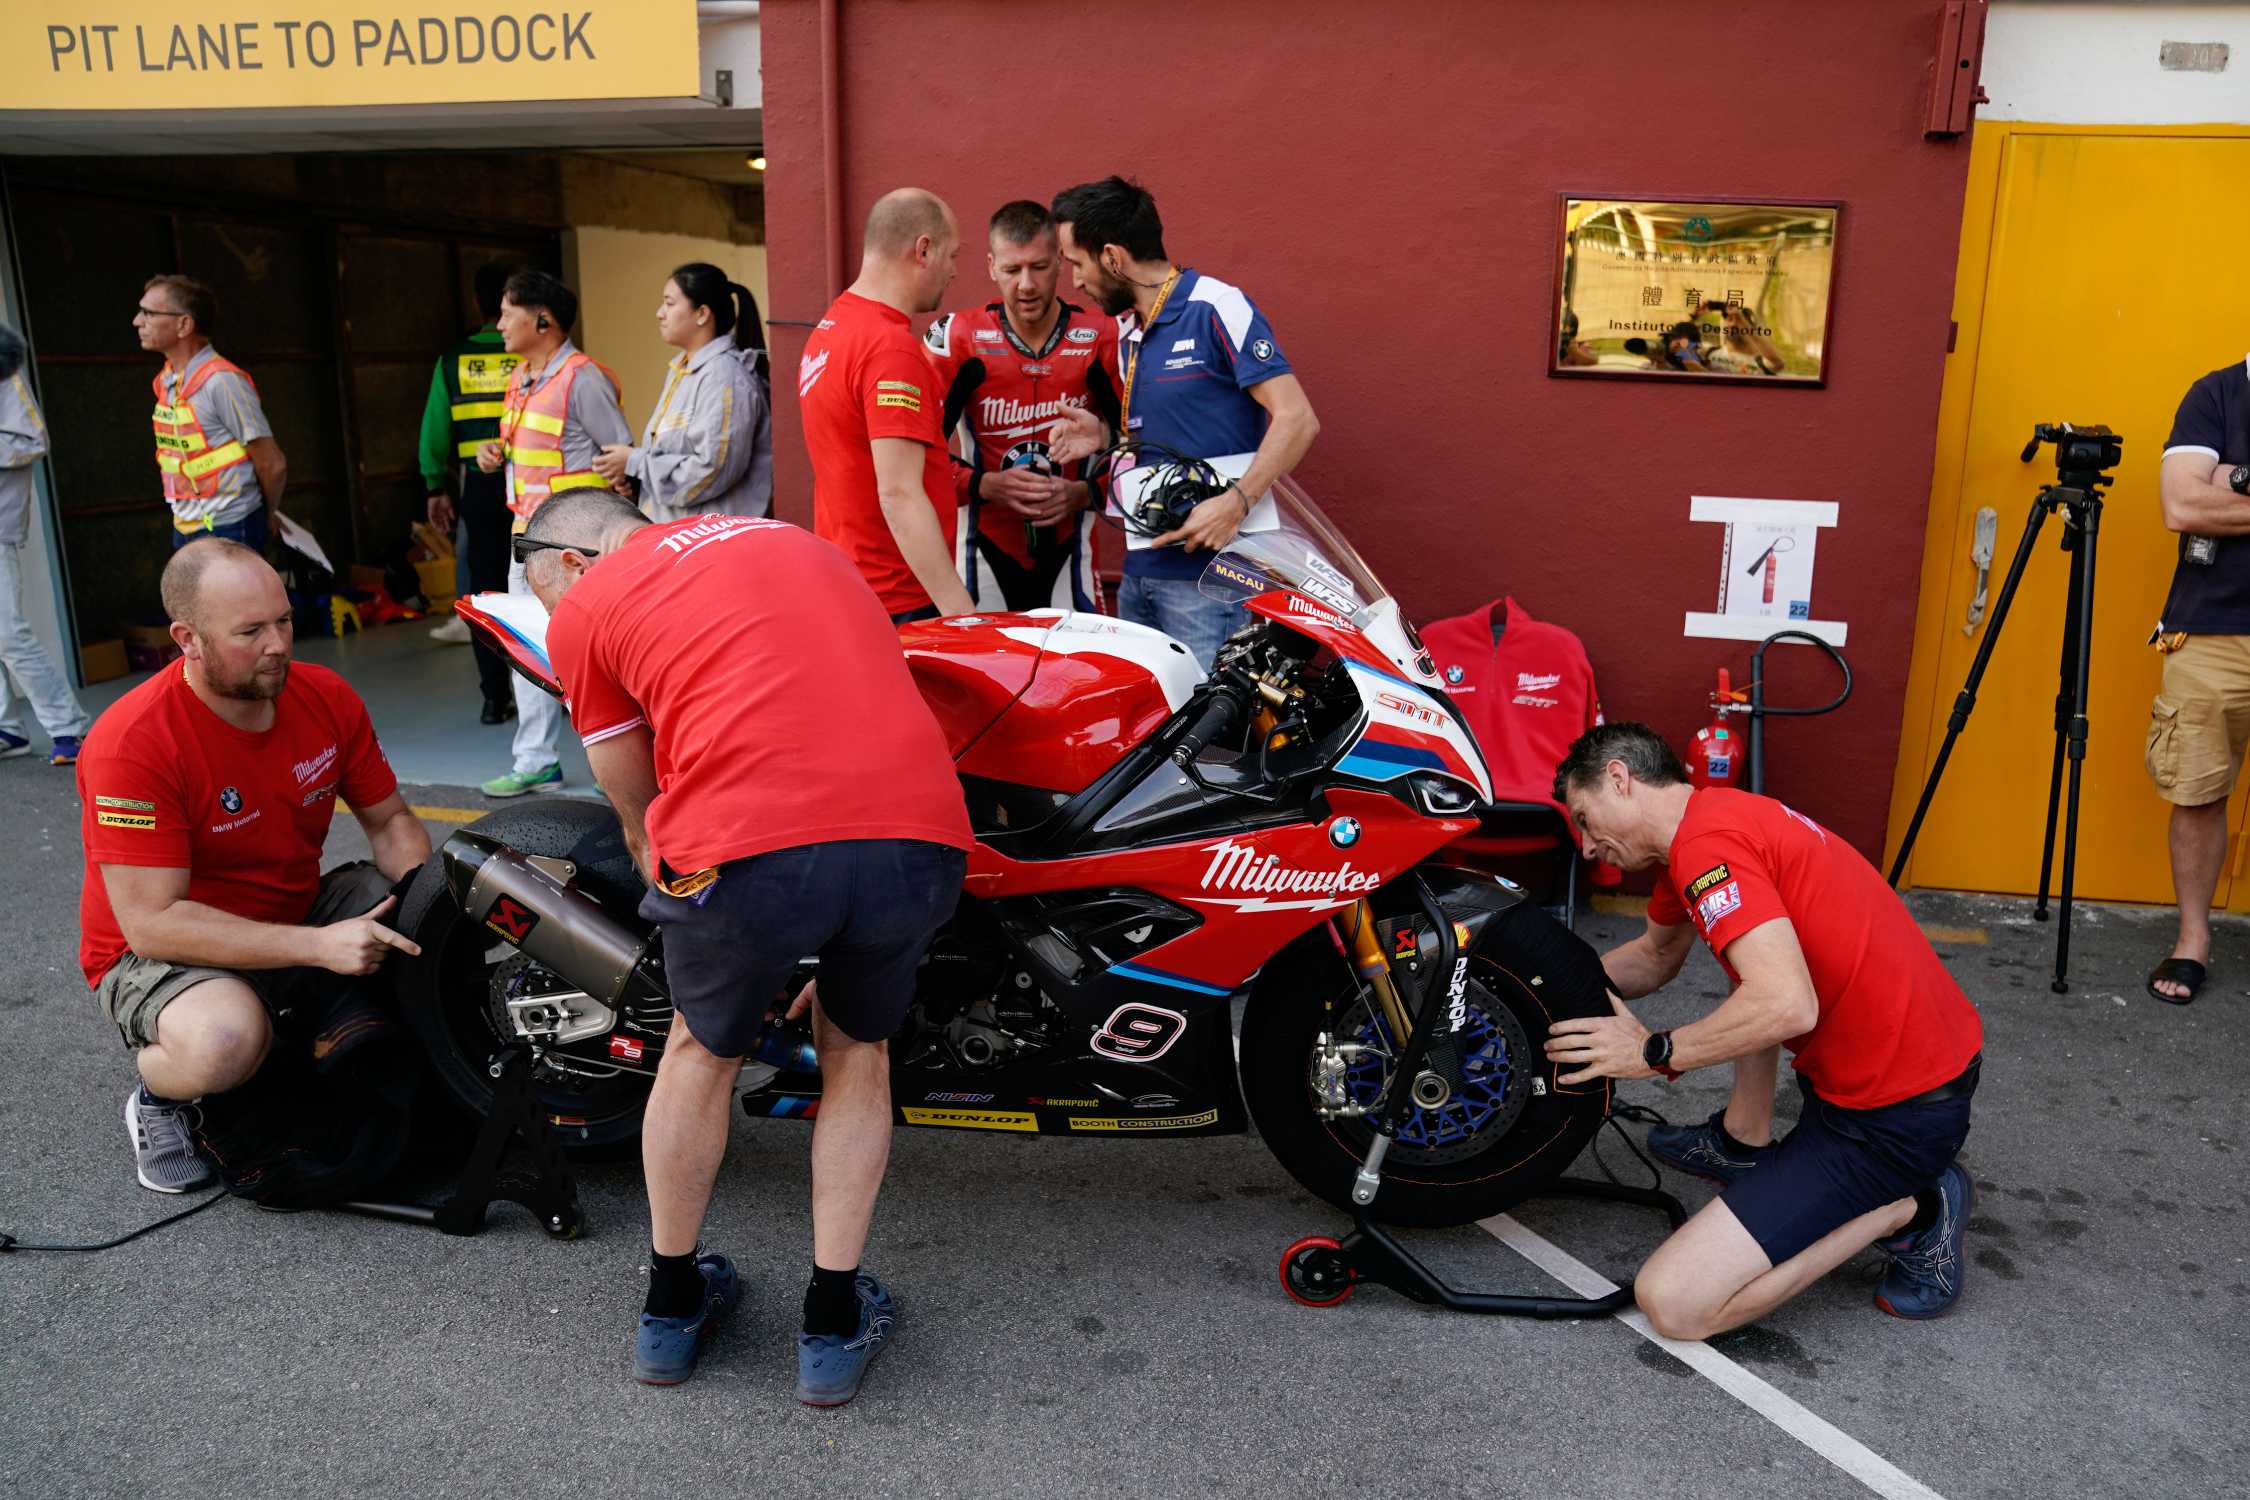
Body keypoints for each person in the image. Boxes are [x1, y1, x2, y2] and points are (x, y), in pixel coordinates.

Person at [517, 491, 971, 1404]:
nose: (552, 611)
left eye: (543, 592)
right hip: (919, 831)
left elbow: (635, 802)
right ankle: (832, 1325)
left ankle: (672, 1309)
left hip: (747, 850)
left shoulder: (589, 606)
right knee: (858, 1051)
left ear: (572, 559)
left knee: (698, 1050)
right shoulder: (801, 540)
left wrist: (709, 921)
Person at [1545, 722, 1984, 1333]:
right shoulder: (1705, 826)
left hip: (1893, 1118)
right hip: (1893, 1073)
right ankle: (1742, 1138)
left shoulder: (1708, 846)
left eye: (1585, 819)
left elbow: (1786, 1005)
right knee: (1749, 963)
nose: (1588, 846)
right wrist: (1531, 989)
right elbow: (1654, 957)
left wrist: (1651, 1051)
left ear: (1619, 779)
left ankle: (1914, 1207)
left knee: (1674, 1302)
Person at [77, 539, 431, 1194]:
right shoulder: (133, 744)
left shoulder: (325, 696)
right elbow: (153, 924)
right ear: (187, 639)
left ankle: (301, 1022)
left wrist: (424, 906)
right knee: (224, 1044)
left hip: (290, 911)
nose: (278, 645)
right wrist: (318, 947)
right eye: (250, 632)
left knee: (420, 908)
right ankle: (159, 1095)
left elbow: (391, 823)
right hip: (160, 951)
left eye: (284, 621)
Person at [1048, 176, 1319, 668]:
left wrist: (1236, 503)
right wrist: (1106, 436)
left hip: (1212, 583)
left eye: (1076, 263)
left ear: (1112, 258)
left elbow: (1297, 419)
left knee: (1210, 719)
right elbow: (1176, 434)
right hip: (1140, 573)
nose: (1076, 282)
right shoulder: (1127, 329)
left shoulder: (1215, 306)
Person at [474, 268, 631, 798]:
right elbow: (526, 448)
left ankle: (622, 766)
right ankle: (536, 761)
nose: (499, 324)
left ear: (542, 320)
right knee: (527, 649)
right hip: (526, 537)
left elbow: (620, 454)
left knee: (594, 655)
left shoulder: (582, 377)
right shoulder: (522, 377)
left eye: (507, 314)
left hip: (574, 546)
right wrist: (493, 454)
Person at [923, 200, 1120, 611]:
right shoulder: (959, 337)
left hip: (1072, 551)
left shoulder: (1102, 336)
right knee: (982, 650)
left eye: (1039, 267)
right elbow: (916, 454)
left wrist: (1085, 492)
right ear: (991, 267)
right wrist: (983, 485)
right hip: (981, 549)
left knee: (1075, 653)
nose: (1026, 285)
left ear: (1060, 261)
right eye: (1012, 270)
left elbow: (1142, 447)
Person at [799, 188, 974, 623]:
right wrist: (960, 613)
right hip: (899, 597)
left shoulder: (831, 328)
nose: (954, 271)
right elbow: (898, 493)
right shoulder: (889, 349)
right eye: (952, 255)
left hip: (850, 583)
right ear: (923, 250)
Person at [2145, 354, 2250, 1003]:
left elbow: (2207, 493)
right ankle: (2193, 940)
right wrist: (2210, 489)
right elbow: (2182, 502)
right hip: (2212, 627)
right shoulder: (2216, 394)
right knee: (2199, 791)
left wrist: (2232, 480)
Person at [588, 262, 773, 522]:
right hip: (680, 532)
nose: (660, 313)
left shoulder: (723, 375)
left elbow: (712, 472)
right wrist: (636, 478)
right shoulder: (683, 370)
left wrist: (636, 463)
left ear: (702, 314)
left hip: (711, 537)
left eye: (670, 303)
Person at [419, 264, 524, 723]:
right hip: (534, 485)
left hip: (479, 486)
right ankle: (557, 688)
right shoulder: (533, 354)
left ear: (477, 302)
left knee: (486, 591)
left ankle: (495, 697)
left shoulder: (453, 360)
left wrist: (434, 485)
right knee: (542, 586)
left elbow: (433, 434)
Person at [135, 274, 286, 551]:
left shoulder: (222, 381)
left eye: (149, 313)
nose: (137, 321)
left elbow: (272, 464)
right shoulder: (167, 380)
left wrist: (266, 515)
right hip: (185, 525)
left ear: (184, 324)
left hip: (232, 526)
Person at [0, 322, 91, 766]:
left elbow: (33, 440)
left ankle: (69, 726)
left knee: (8, 633)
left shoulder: (4, 370)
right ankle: (7, 728)